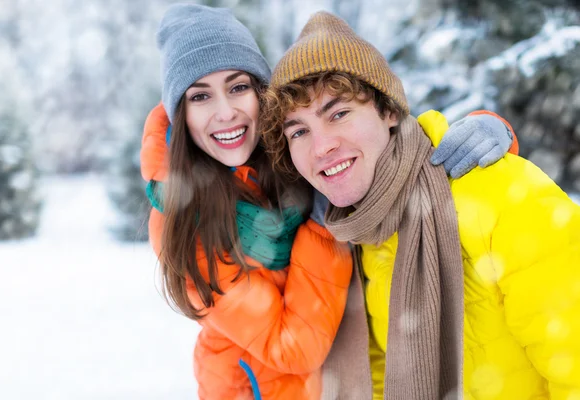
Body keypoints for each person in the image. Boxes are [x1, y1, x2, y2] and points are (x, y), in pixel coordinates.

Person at [141, 4, 519, 400]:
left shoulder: (294, 145)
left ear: (262, 94)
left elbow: (388, 141)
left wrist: (489, 131)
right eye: (200, 96)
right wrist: (323, 226)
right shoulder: (184, 219)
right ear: (180, 114)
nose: (225, 113)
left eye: (238, 87)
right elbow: (293, 346)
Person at [262, 11, 580, 400]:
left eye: (339, 114)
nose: (321, 146)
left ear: (389, 112)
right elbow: (379, 379)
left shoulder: (504, 194)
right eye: (299, 131)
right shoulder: (353, 234)